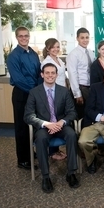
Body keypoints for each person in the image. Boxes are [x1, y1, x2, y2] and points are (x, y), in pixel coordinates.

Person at [24, 63, 79, 193]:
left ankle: (71, 173)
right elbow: (28, 116)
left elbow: (72, 112)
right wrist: (46, 124)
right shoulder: (34, 92)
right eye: (47, 73)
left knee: (72, 135)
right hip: (44, 127)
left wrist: (62, 122)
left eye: (52, 73)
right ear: (42, 75)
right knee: (41, 139)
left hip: (61, 125)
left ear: (57, 74)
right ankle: (46, 176)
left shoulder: (64, 91)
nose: (50, 75)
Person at [6, 26, 42, 170]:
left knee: (32, 125)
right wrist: (34, 92)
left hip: (33, 92)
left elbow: (39, 73)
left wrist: (39, 89)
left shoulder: (32, 53)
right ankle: (23, 160)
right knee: (22, 127)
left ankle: (30, 153)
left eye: (26, 35)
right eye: (21, 36)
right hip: (22, 94)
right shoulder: (13, 56)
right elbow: (18, 79)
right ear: (17, 38)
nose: (24, 38)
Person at [41, 38, 67, 160]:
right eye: (53, 47)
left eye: (57, 46)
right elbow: (49, 78)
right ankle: (52, 151)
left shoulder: (59, 60)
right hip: (53, 93)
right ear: (48, 49)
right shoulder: (46, 62)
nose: (56, 49)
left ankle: (57, 150)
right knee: (53, 117)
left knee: (60, 118)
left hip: (63, 92)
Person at [66, 27, 95, 122]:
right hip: (80, 87)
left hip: (90, 87)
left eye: (87, 37)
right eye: (82, 37)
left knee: (90, 113)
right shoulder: (73, 54)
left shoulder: (90, 52)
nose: (85, 40)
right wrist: (77, 94)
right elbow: (72, 74)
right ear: (77, 38)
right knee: (81, 115)